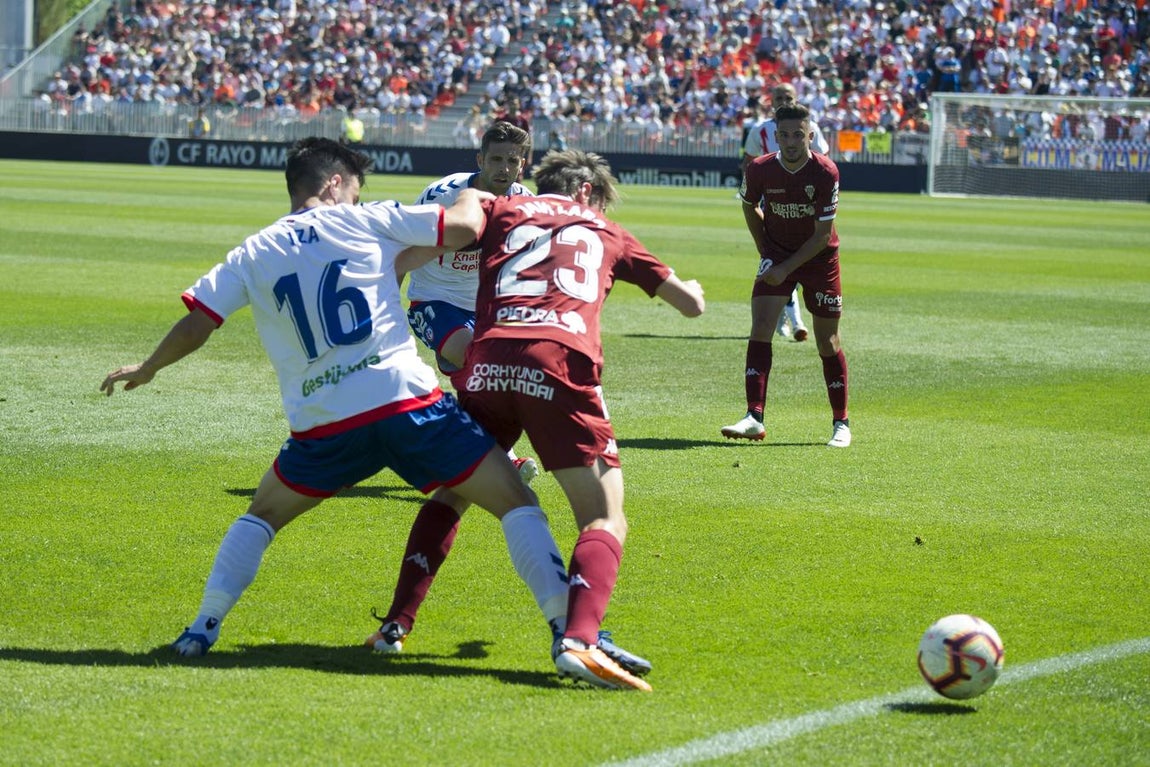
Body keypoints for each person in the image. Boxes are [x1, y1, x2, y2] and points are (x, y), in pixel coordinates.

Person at [100, 137, 574, 663]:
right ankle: (565, 633)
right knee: (517, 502)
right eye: (354, 186)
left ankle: (201, 628)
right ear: (334, 184)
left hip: (324, 425)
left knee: (260, 516)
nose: (357, 195)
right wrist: (476, 195)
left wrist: (148, 368)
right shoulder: (366, 218)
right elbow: (462, 228)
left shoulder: (252, 251)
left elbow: (198, 324)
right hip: (408, 406)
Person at [380, 149, 705, 692]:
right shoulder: (606, 228)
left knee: (453, 492)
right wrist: (692, 290)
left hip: (486, 362)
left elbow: (416, 255)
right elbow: (689, 306)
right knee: (604, 517)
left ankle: (396, 624)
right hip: (558, 363)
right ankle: (579, 640)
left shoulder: (503, 210)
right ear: (587, 194)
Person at [722, 104, 851, 449]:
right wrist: (767, 252)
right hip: (777, 253)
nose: (792, 141)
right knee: (761, 327)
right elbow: (749, 206)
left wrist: (782, 268)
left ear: (810, 135)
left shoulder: (825, 172)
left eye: (799, 134)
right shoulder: (761, 169)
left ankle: (841, 423)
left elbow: (823, 236)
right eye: (785, 135)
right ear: (775, 137)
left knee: (828, 341)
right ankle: (754, 417)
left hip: (819, 259)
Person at [740, 83, 831, 344]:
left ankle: (786, 315)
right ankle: (796, 320)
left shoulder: (809, 127)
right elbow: (749, 163)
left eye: (787, 97)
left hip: (806, 202)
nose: (782, 100)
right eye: (778, 96)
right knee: (783, 260)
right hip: (774, 204)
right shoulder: (760, 130)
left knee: (799, 260)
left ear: (795, 98)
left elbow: (823, 157)